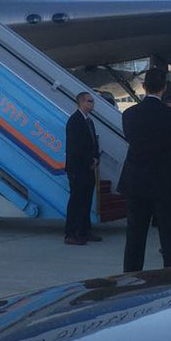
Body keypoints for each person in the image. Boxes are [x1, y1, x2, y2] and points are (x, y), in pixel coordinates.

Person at [119, 67, 171, 272]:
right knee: (169, 235)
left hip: (137, 179)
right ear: (164, 88)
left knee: (135, 234)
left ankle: (131, 275)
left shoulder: (130, 114)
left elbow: (131, 140)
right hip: (165, 180)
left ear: (144, 86)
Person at [64, 91, 101, 245]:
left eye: (92, 101)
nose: (92, 104)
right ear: (81, 102)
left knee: (86, 200)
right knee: (76, 201)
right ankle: (71, 233)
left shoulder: (89, 121)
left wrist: (96, 158)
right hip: (78, 168)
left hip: (88, 168)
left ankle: (84, 230)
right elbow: (75, 147)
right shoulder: (75, 121)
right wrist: (88, 161)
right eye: (89, 101)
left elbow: (93, 143)